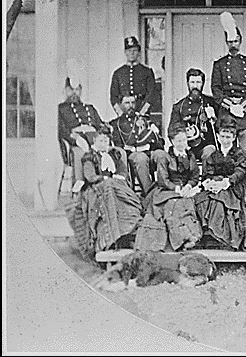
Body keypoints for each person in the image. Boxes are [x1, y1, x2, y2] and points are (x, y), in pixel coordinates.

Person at [68, 126, 143, 260]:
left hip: (116, 187)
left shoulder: (114, 155)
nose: (104, 144)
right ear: (95, 141)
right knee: (109, 193)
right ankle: (111, 239)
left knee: (126, 201)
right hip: (97, 189)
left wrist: (119, 177)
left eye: (106, 141)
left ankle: (127, 234)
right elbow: (90, 176)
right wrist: (106, 179)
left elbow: (123, 172)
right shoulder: (89, 157)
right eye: (101, 141)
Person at [134, 127, 202, 251]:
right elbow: (163, 180)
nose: (182, 144)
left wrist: (188, 186)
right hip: (167, 190)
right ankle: (178, 241)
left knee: (187, 204)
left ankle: (190, 237)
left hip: (185, 190)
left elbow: (194, 177)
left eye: (184, 140)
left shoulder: (190, 156)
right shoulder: (165, 157)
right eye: (178, 141)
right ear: (172, 142)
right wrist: (176, 189)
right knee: (174, 205)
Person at [194, 116, 246, 250]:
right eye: (223, 136)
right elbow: (208, 174)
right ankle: (211, 235)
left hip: (234, 188)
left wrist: (226, 182)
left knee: (219, 200)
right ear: (218, 136)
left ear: (234, 138)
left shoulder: (240, 153)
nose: (225, 140)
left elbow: (240, 171)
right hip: (217, 187)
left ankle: (223, 236)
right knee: (202, 200)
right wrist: (210, 182)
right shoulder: (214, 155)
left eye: (228, 137)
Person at [211, 12, 246, 160]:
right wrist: (230, 106)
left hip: (245, 114)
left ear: (241, 41)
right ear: (226, 42)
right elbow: (216, 89)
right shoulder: (219, 64)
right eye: (230, 41)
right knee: (226, 154)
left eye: (236, 41)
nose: (233, 45)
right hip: (226, 113)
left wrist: (242, 106)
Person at [110, 94, 165, 198]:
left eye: (132, 102)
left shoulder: (145, 119)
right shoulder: (116, 123)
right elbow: (119, 146)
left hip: (149, 151)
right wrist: (136, 148)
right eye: (127, 103)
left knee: (161, 154)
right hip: (132, 154)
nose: (130, 105)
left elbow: (157, 140)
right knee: (141, 158)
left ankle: (165, 189)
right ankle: (150, 194)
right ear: (121, 105)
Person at [58, 71, 104, 183]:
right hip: (77, 141)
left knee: (116, 151)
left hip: (95, 140)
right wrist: (75, 138)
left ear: (81, 91)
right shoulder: (61, 108)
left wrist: (103, 135)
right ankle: (79, 187)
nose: (74, 93)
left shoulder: (90, 108)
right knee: (80, 153)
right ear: (65, 91)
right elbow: (61, 129)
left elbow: (100, 125)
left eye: (77, 90)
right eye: (70, 90)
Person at [168, 68, 218, 166]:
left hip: (206, 145)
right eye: (192, 82)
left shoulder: (212, 103)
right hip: (185, 146)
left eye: (198, 82)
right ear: (187, 83)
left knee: (209, 153)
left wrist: (213, 117)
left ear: (203, 83)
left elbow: (220, 127)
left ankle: (207, 179)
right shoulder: (179, 106)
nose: (195, 86)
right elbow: (171, 130)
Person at [110, 36, 156, 116]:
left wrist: (142, 113)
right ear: (125, 52)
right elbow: (114, 97)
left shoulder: (147, 72)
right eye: (129, 50)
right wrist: (121, 114)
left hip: (142, 114)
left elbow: (151, 95)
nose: (132, 53)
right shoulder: (118, 73)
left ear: (139, 52)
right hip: (124, 115)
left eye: (134, 50)